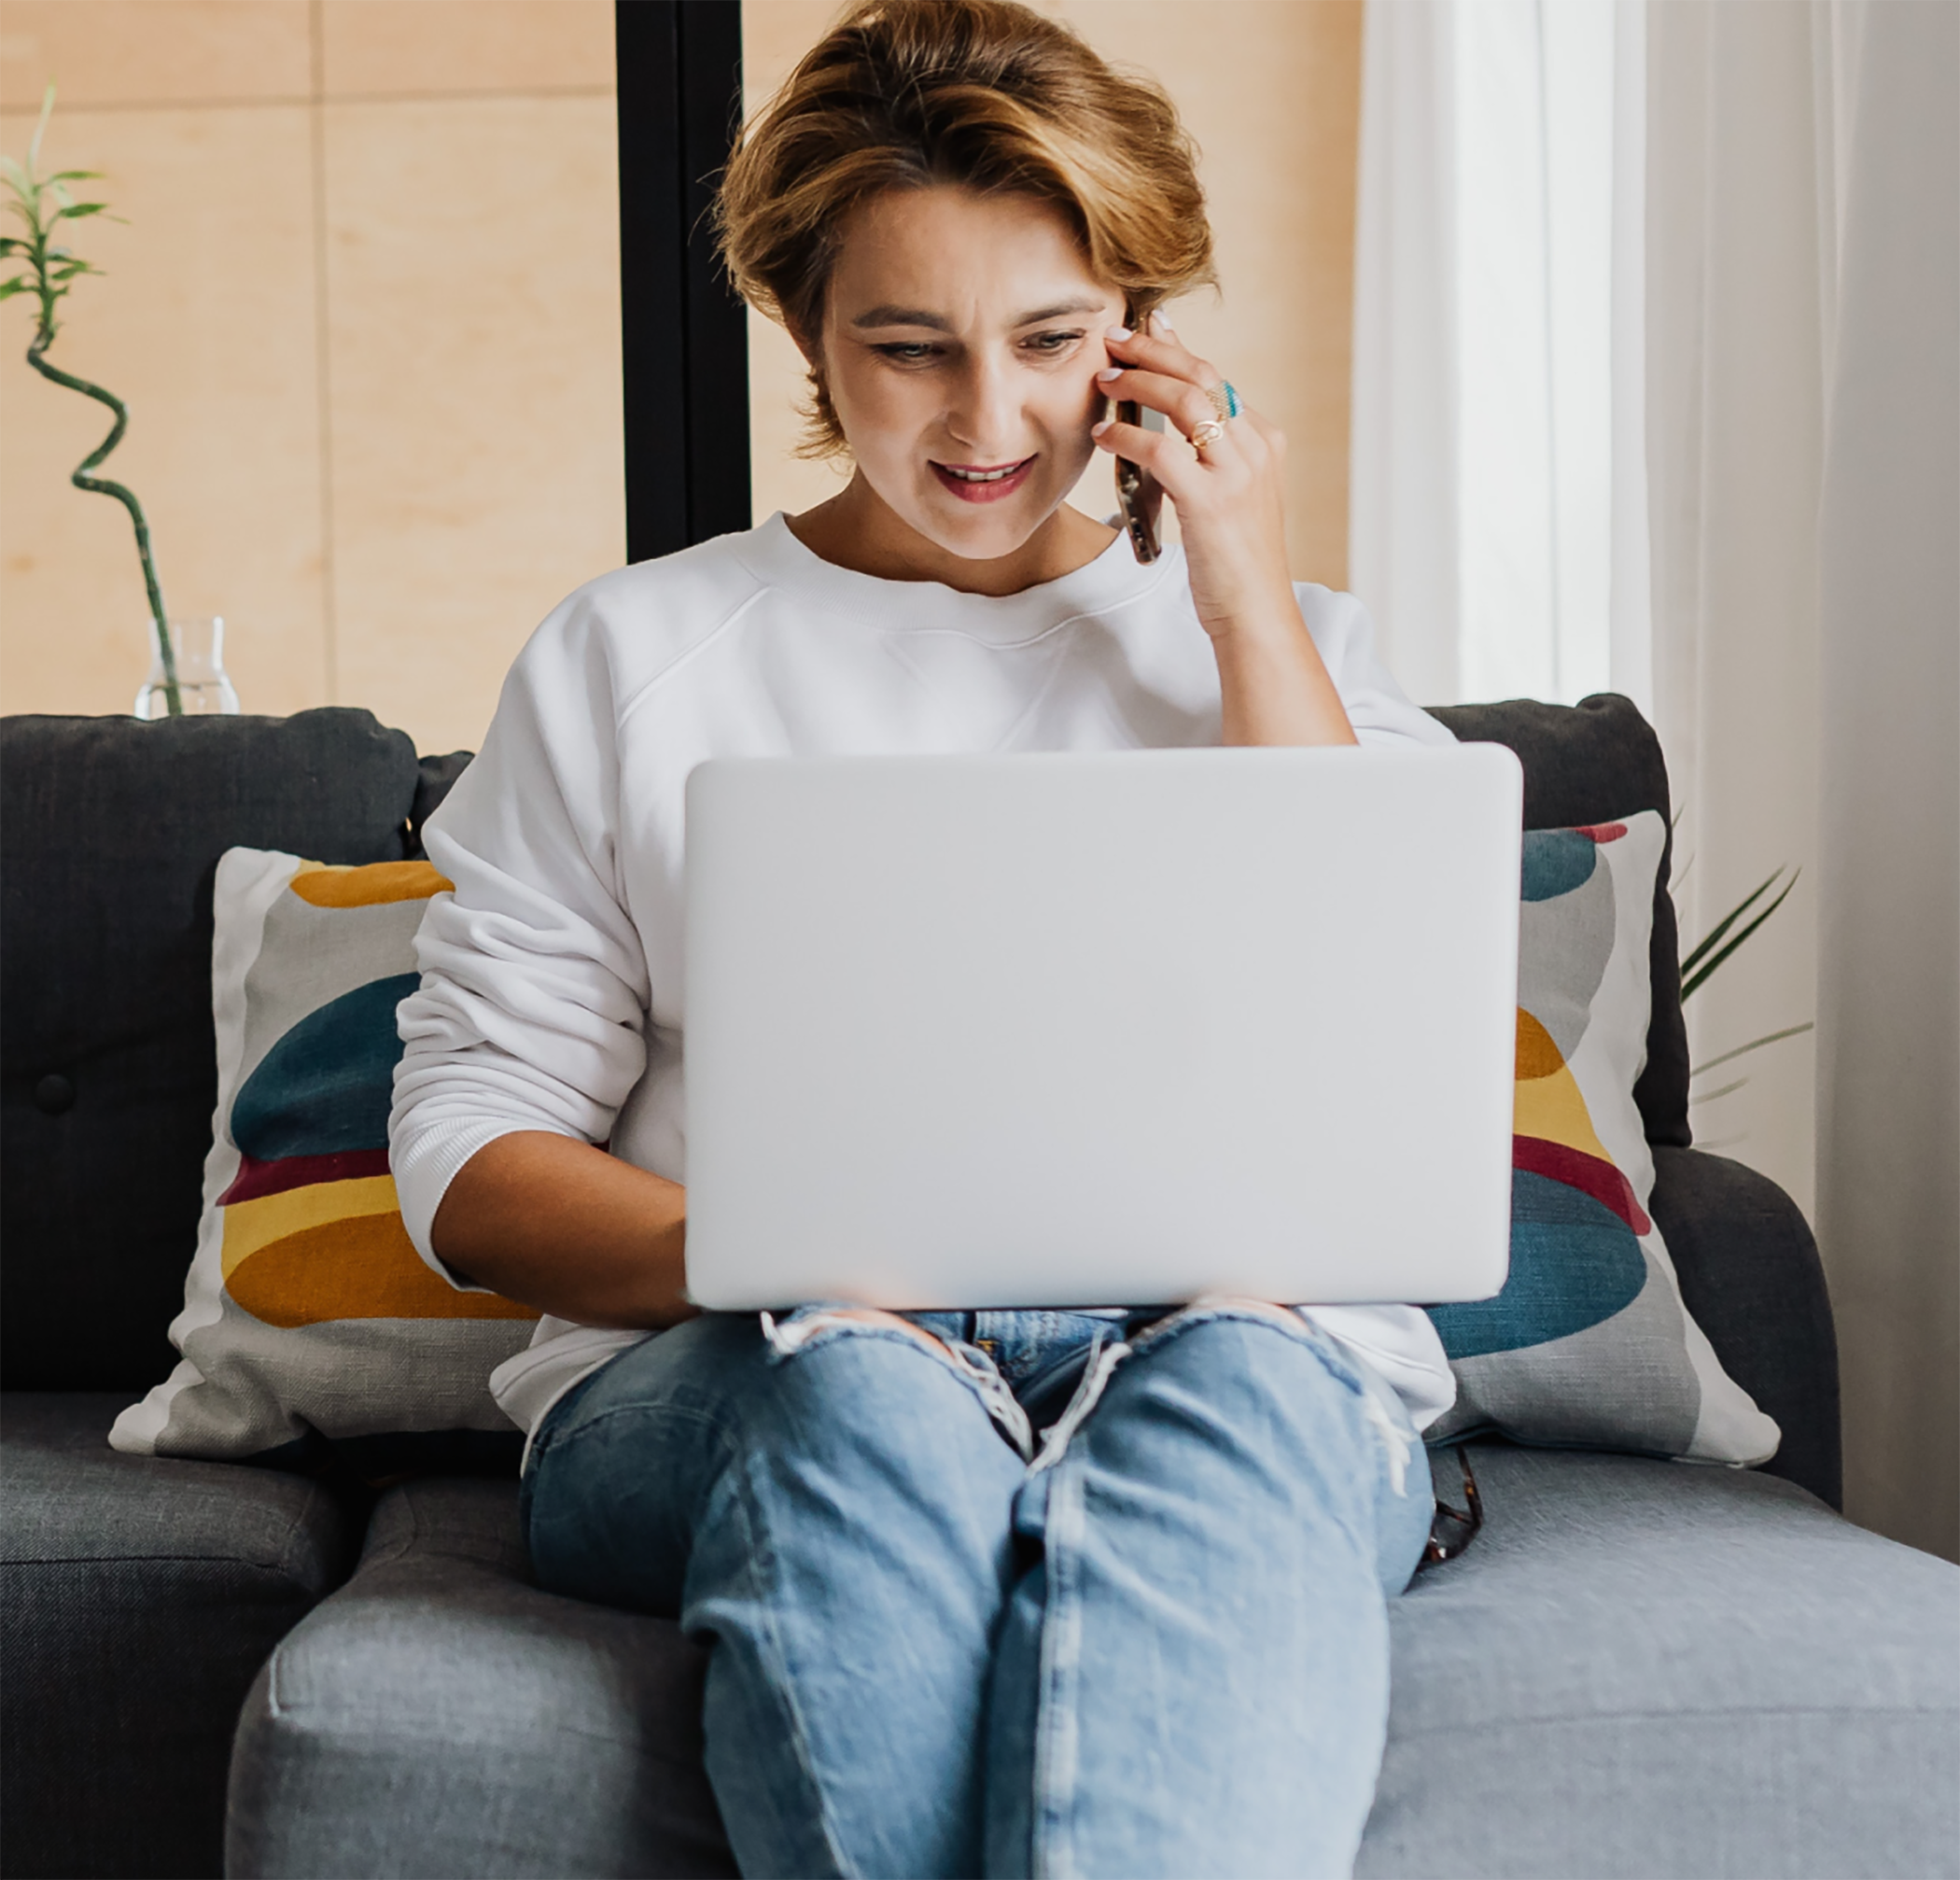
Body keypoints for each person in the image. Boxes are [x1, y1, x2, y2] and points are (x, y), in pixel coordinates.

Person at [390, 4, 1458, 1876]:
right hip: (764, 1356)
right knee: (865, 1384)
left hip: (1227, 1355)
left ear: (1138, 330)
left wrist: (1241, 602)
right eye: (909, 348)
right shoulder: (633, 657)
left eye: (1052, 341)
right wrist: (794, 1262)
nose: (987, 420)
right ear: (805, 333)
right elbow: (472, 1166)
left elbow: (1366, 1055)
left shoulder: (1291, 652)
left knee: (1232, 1366)